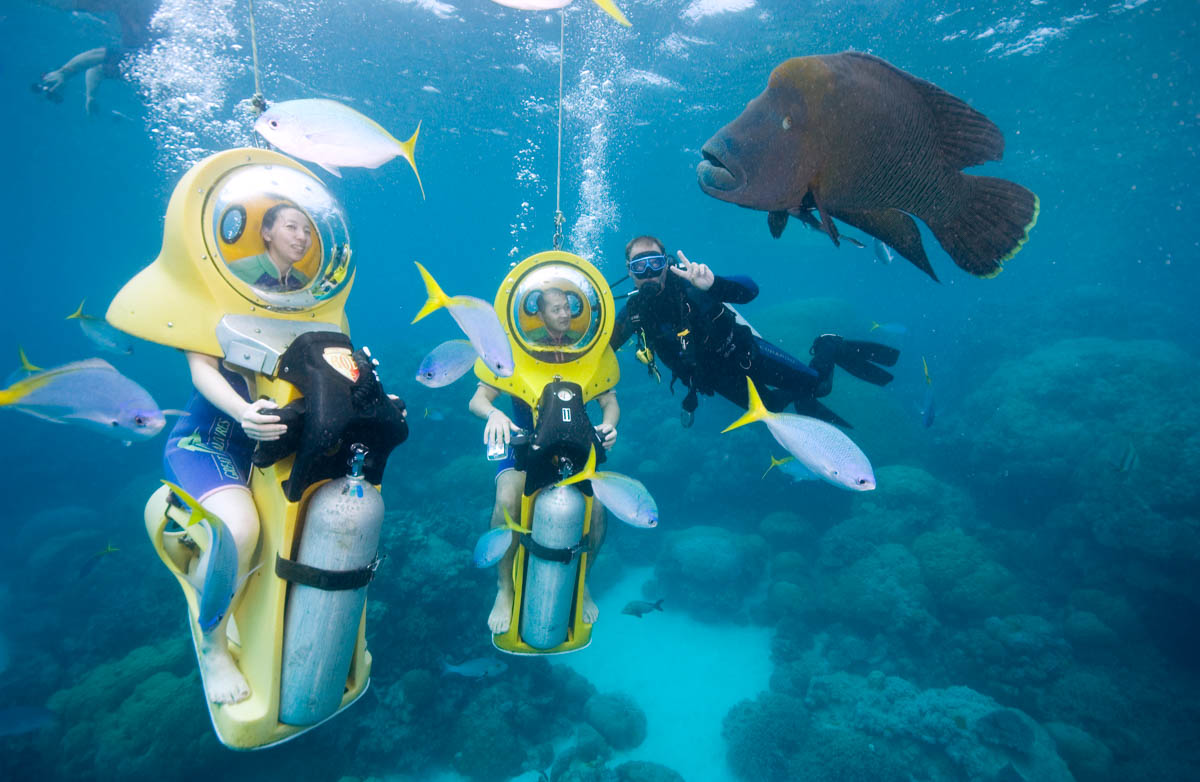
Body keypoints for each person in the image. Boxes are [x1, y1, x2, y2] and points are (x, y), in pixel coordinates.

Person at [611, 235, 898, 427]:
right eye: (639, 266)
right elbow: (606, 345)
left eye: (655, 263)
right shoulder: (634, 313)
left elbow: (750, 290)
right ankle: (799, 394)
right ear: (629, 270)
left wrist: (714, 284)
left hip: (747, 354)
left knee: (821, 387)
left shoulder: (691, 285)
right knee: (771, 410)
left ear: (666, 263)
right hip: (716, 379)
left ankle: (828, 345)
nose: (649, 273)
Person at [469, 286, 619, 634]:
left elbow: (609, 400)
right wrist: (493, 414)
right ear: (538, 314)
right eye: (556, 309)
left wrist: (610, 424)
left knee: (598, 511)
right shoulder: (516, 348)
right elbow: (478, 399)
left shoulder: (587, 346)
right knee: (506, 502)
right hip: (522, 444)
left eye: (567, 307)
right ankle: (504, 588)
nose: (565, 314)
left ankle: (583, 582)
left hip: (575, 444)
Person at [161, 352, 285, 705]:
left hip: (264, 459)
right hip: (203, 446)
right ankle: (213, 648)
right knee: (239, 531)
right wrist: (243, 411)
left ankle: (208, 567)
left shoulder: (318, 320)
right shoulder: (218, 315)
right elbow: (202, 369)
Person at [33, 0, 159, 115]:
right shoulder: (142, 62)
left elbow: (98, 69)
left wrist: (90, 96)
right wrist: (64, 73)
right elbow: (102, 56)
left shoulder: (138, 71)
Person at [227, 203, 313, 292]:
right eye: (291, 226)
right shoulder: (238, 271)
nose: (303, 237)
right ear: (267, 234)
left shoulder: (305, 282)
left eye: (307, 231)